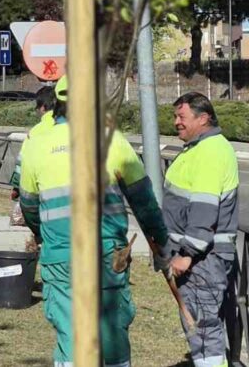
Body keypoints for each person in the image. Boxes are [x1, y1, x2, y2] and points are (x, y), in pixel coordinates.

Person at [19, 75, 171, 367]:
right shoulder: (111, 140)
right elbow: (144, 202)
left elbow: (28, 205)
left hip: (62, 259)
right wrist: (161, 243)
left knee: (71, 337)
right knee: (112, 338)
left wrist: (45, 235)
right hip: (106, 257)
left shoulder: (37, 145)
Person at [163, 92, 238, 367]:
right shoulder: (198, 148)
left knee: (204, 330)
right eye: (175, 116)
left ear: (203, 118)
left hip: (202, 261)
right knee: (199, 329)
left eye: (181, 117)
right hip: (198, 259)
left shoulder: (210, 151)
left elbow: (204, 210)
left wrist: (187, 254)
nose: (176, 123)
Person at [10, 85, 57, 200]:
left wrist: (16, 188)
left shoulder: (36, 132)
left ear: (42, 108)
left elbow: (23, 161)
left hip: (43, 191)